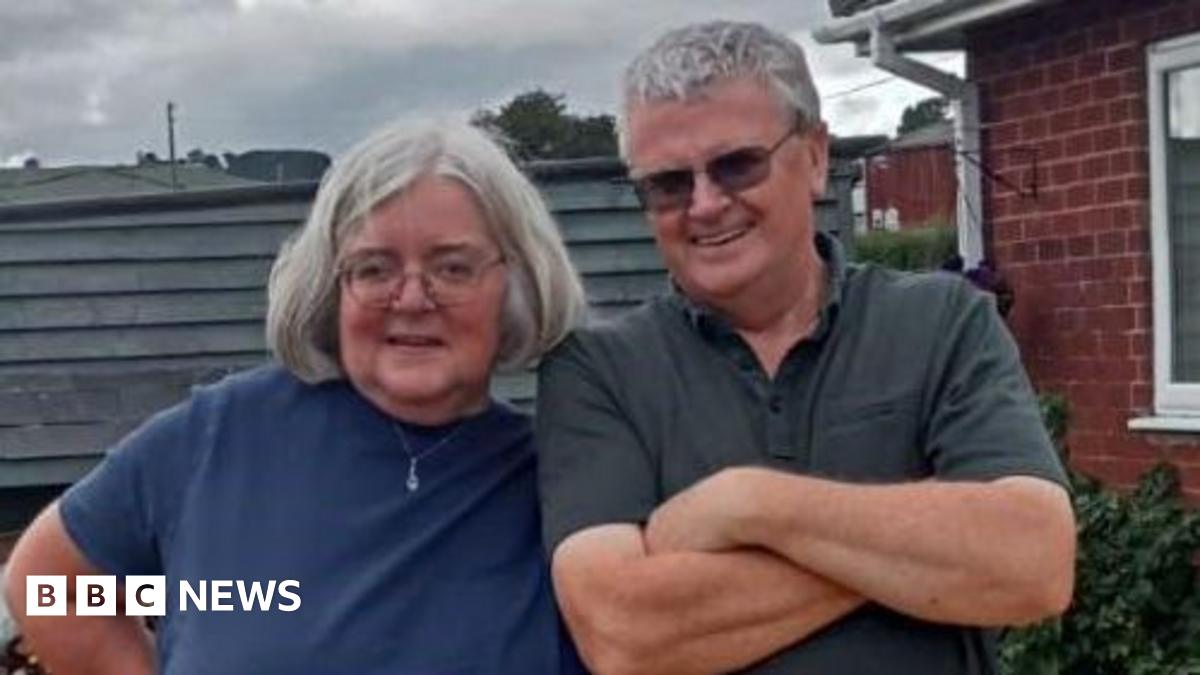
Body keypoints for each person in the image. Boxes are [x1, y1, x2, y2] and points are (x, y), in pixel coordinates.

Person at [536, 20, 1075, 674]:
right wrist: (918, 557)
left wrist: (748, 504)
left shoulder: (941, 322)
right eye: (669, 183)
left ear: (815, 156)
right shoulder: (599, 372)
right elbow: (626, 634)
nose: (705, 204)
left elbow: (1034, 563)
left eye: (737, 165)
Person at [3, 119, 588, 674]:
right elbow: (51, 587)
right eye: (374, 268)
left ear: (514, 286)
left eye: (453, 268)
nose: (411, 298)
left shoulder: (565, 475)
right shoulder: (223, 437)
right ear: (332, 287)